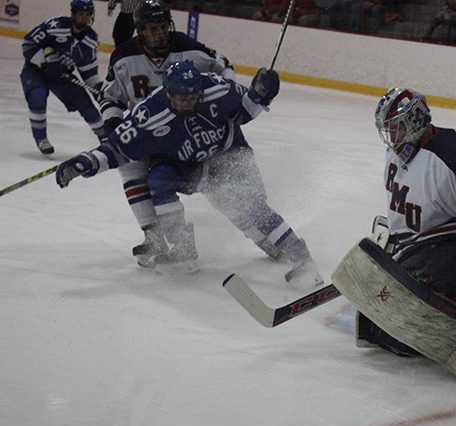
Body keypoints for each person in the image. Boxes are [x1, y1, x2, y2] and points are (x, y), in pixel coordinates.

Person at [55, 60, 323, 289]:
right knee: (159, 178)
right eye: (181, 98)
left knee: (250, 207)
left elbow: (246, 110)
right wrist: (85, 163)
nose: (188, 102)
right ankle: (182, 244)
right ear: (168, 92)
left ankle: (300, 257)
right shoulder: (149, 113)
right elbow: (117, 148)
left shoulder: (216, 88)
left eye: (193, 96)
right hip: (188, 167)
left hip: (227, 158)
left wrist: (263, 92)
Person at [355, 86, 456, 357]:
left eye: (397, 127)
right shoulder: (394, 154)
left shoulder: (450, 153)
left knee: (416, 295)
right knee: (379, 313)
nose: (392, 137)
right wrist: (393, 240)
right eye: (388, 129)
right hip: (418, 248)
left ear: (416, 121)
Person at [99, 0, 236, 266]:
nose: (160, 33)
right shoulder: (123, 57)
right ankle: (154, 236)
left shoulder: (189, 48)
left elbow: (224, 67)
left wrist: (226, 103)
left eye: (163, 27)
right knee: (129, 167)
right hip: (149, 132)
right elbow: (110, 96)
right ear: (140, 30)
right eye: (153, 29)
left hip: (191, 133)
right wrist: (113, 124)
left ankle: (268, 239)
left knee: (229, 193)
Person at [20, 0, 104, 155]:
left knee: (86, 104)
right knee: (37, 96)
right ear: (73, 14)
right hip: (36, 70)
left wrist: (99, 90)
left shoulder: (91, 41)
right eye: (80, 14)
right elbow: (28, 44)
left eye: (87, 15)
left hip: (62, 76)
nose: (84, 18)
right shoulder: (56, 26)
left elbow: (88, 72)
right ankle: (41, 138)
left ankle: (106, 139)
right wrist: (45, 62)